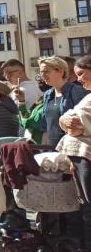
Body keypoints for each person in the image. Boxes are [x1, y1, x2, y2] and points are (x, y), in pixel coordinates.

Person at [57, 55, 91, 251]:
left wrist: (76, 124)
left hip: (86, 157)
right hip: (79, 156)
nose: (78, 79)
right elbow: (67, 118)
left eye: (81, 74)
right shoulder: (87, 96)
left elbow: (79, 121)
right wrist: (67, 122)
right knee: (85, 207)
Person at [40, 56, 89, 147]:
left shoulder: (77, 91)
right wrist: (44, 146)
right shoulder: (48, 94)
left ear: (61, 71)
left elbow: (84, 122)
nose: (43, 75)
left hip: (72, 146)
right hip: (52, 147)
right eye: (41, 72)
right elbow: (45, 125)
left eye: (46, 71)